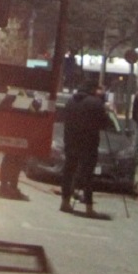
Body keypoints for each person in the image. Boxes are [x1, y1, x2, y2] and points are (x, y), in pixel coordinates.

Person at [60, 78, 108, 214]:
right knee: (87, 176)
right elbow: (104, 124)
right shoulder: (96, 103)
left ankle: (65, 201)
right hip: (89, 144)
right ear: (92, 89)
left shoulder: (70, 102)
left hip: (71, 142)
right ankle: (89, 207)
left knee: (68, 172)